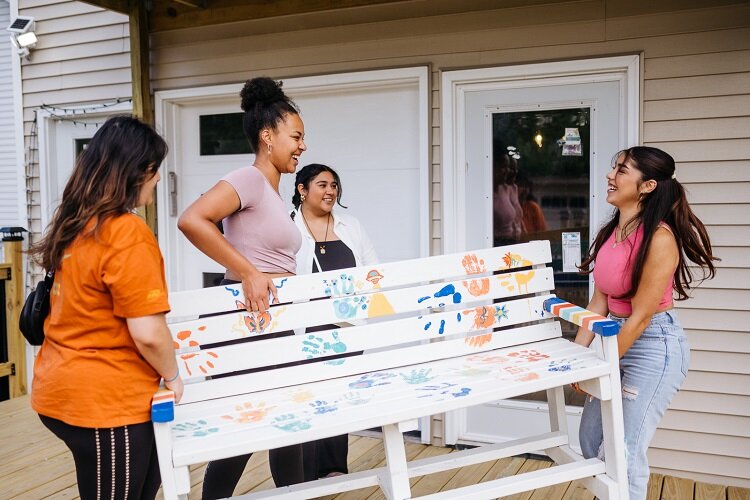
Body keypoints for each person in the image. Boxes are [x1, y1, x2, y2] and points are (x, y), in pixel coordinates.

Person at [29, 115, 183, 500]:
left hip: (61, 388)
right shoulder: (126, 233)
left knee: (144, 485)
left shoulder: (76, 222)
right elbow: (148, 333)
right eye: (154, 169)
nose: (158, 178)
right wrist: (173, 375)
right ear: (134, 171)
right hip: (105, 402)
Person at [177, 76, 307, 498]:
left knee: (287, 424)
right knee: (244, 428)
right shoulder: (249, 179)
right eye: (296, 137)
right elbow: (192, 219)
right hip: (246, 322)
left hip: (273, 321)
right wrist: (249, 270)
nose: (303, 147)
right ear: (267, 137)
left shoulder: (270, 191)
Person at [575, 146, 718, 499]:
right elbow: (599, 302)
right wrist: (576, 360)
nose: (611, 176)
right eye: (614, 169)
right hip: (614, 338)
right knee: (591, 439)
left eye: (622, 171)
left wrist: (602, 366)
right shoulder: (611, 233)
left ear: (647, 185)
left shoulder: (659, 239)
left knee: (623, 450)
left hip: (654, 346)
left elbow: (639, 319)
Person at [291, 163, 378, 481]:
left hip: (346, 325)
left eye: (334, 185)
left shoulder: (350, 225)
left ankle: (332, 468)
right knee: (307, 398)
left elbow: (372, 268)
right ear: (302, 189)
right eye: (322, 185)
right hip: (305, 328)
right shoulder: (288, 228)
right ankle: (303, 473)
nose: (330, 191)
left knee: (337, 395)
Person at [493, 153, 524, 246]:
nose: (508, 171)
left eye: (508, 167)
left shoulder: (506, 189)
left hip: (511, 243)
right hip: (497, 244)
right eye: (504, 166)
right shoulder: (485, 194)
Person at [516, 171, 547, 235]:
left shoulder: (533, 207)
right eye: (521, 185)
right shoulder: (509, 209)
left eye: (527, 186)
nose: (525, 190)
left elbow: (543, 233)